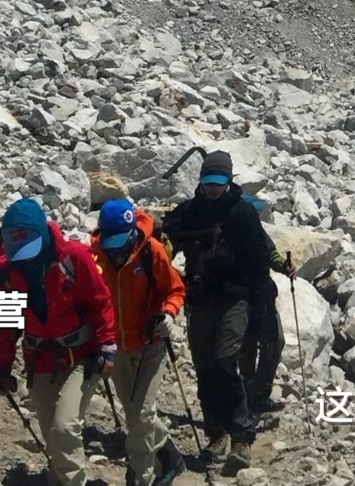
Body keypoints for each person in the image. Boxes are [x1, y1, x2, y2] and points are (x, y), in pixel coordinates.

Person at [158, 151, 276, 468]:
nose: (213, 188)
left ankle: (241, 437)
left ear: (229, 181)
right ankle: (215, 433)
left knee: (225, 361)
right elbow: (164, 248)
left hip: (235, 298)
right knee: (205, 367)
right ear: (200, 181)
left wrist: (261, 309)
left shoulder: (243, 214)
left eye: (218, 182)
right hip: (199, 299)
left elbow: (259, 263)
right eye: (208, 182)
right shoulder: (189, 212)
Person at [0, 198, 118, 486]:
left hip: (81, 356)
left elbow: (101, 303)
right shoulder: (7, 274)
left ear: (44, 234)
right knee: (52, 433)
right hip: (40, 359)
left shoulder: (75, 258)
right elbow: (6, 327)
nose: (25, 258)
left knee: (64, 428)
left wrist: (107, 345)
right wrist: (2, 367)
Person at [91, 199, 187, 486]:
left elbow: (175, 289)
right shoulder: (95, 257)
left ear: (133, 233)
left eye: (121, 243)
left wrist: (169, 313)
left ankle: (139, 475)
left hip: (151, 344)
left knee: (141, 414)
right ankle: (170, 456)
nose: (116, 251)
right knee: (135, 416)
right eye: (111, 243)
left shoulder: (151, 252)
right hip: (117, 347)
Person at [239, 247, 293, 418]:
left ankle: (258, 393)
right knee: (247, 347)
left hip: (263, 295)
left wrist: (283, 265)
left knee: (276, 341)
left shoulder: (256, 232)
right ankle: (246, 394)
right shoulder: (226, 234)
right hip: (238, 297)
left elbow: (268, 251)